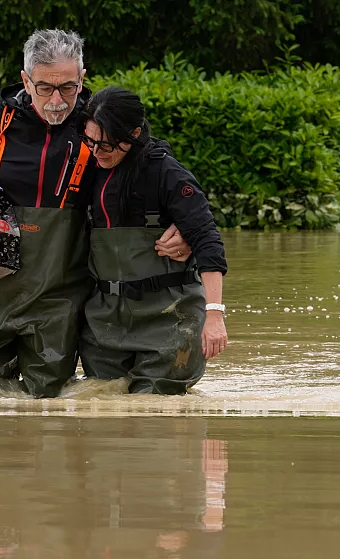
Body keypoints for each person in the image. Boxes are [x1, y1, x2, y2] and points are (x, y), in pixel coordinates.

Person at [0, 30, 190, 398]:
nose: (57, 100)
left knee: (47, 406)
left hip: (61, 294)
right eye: (45, 88)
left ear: (82, 79)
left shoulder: (99, 124)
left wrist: (184, 227)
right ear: (25, 80)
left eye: (68, 88)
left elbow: (161, 172)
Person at [78, 86, 228, 394]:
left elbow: (208, 242)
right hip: (105, 322)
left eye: (106, 145)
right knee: (102, 405)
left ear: (134, 133)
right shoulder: (87, 170)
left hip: (169, 319)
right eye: (90, 141)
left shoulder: (167, 173)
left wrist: (214, 316)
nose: (97, 151)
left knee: (157, 415)